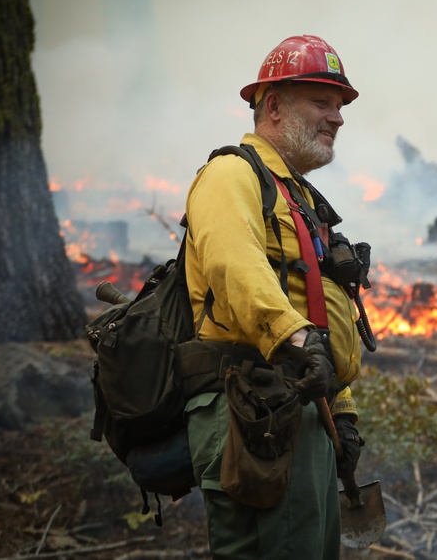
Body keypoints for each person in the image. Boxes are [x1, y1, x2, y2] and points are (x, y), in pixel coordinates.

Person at [182, 34, 368, 559]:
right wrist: (297, 337)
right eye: (322, 102)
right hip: (251, 411)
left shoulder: (299, 199)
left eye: (339, 106)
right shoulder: (230, 174)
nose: (337, 118)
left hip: (299, 407)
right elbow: (233, 265)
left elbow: (315, 306)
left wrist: (343, 411)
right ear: (274, 106)